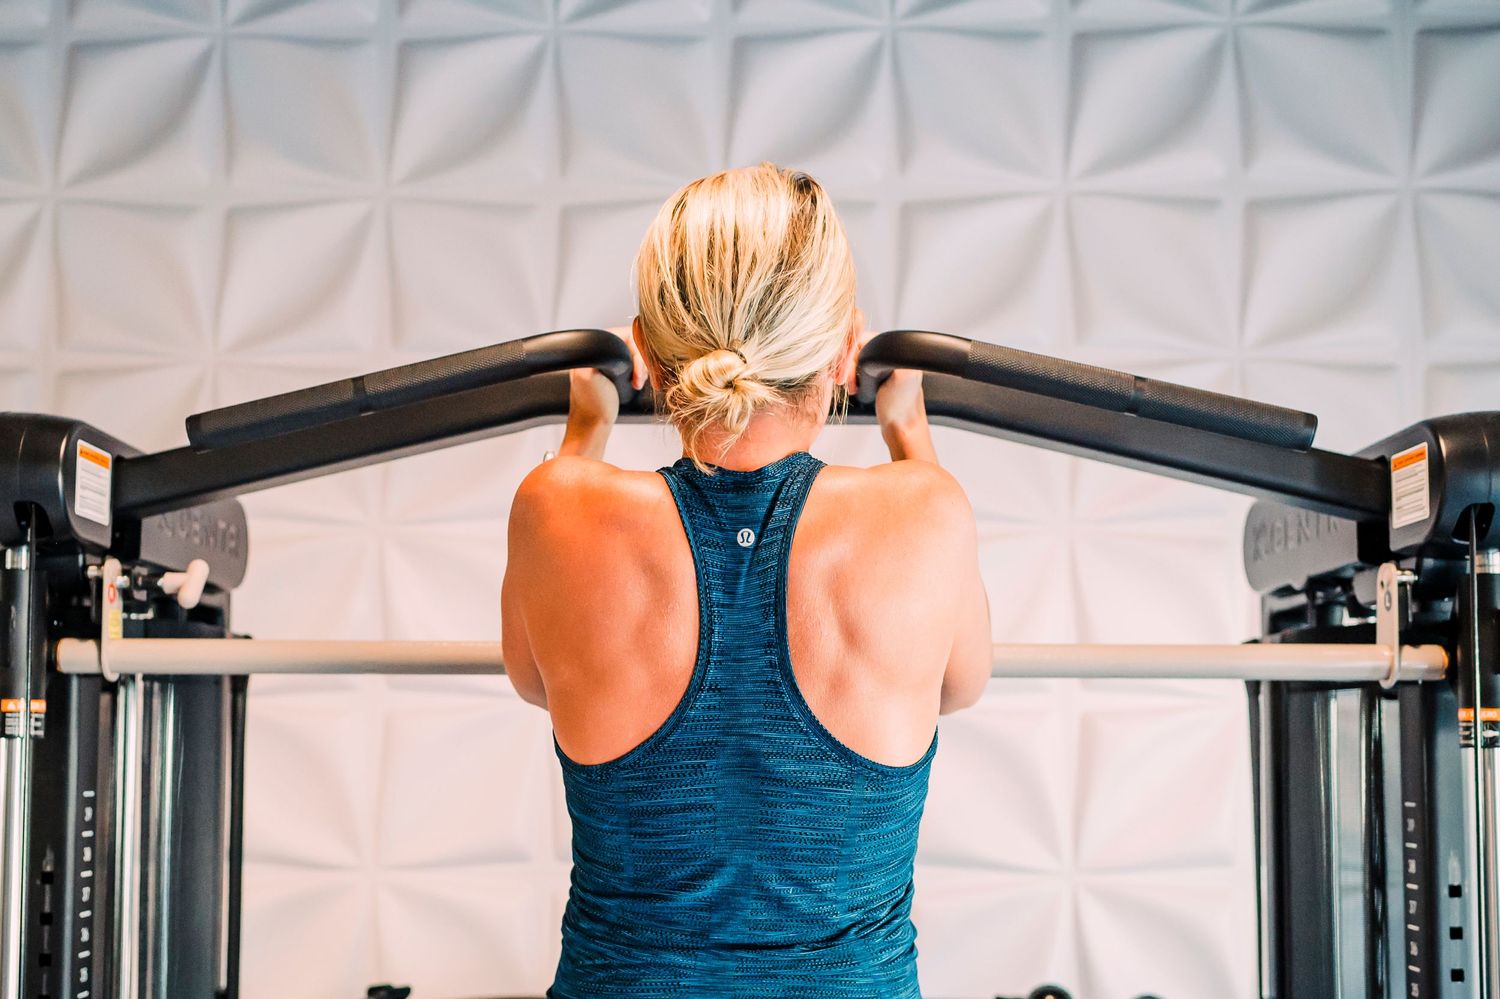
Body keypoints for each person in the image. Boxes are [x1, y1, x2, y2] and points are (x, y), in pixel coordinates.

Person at [501, 163, 992, 998]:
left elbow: (531, 675)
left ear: (650, 355)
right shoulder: (927, 514)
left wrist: (586, 425)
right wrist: (910, 430)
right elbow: (960, 682)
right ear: (843, 351)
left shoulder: (555, 506)